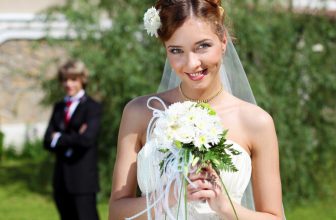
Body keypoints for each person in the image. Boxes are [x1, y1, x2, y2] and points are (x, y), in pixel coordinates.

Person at [109, 0, 285, 219]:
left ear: (223, 42)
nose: (191, 63)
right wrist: (168, 196)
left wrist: (227, 208)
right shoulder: (140, 113)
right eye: (176, 50)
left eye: (202, 46)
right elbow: (116, 213)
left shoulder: (256, 122)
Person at [43, 60, 102, 220]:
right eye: (65, 79)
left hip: (82, 180)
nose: (68, 84)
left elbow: (87, 139)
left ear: (82, 79)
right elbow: (47, 141)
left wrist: (59, 137)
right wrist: (74, 136)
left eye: (73, 79)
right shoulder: (58, 107)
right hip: (61, 179)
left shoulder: (93, 107)